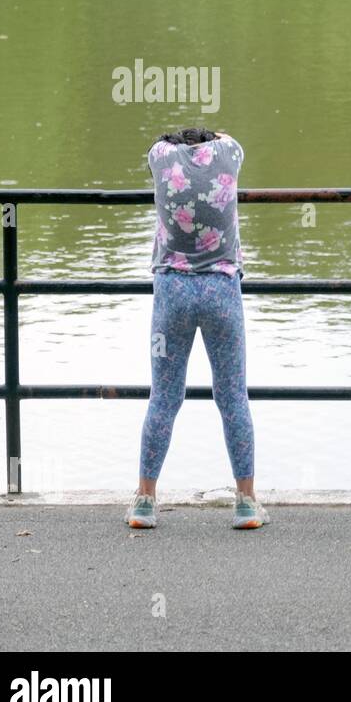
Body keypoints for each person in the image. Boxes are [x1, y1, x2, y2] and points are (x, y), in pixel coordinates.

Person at [126, 128, 266, 530]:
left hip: (172, 290)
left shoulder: (160, 158)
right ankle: (245, 503)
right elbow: (229, 138)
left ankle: (145, 502)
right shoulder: (230, 154)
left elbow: (157, 144)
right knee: (233, 396)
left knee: (164, 397)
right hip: (222, 290)